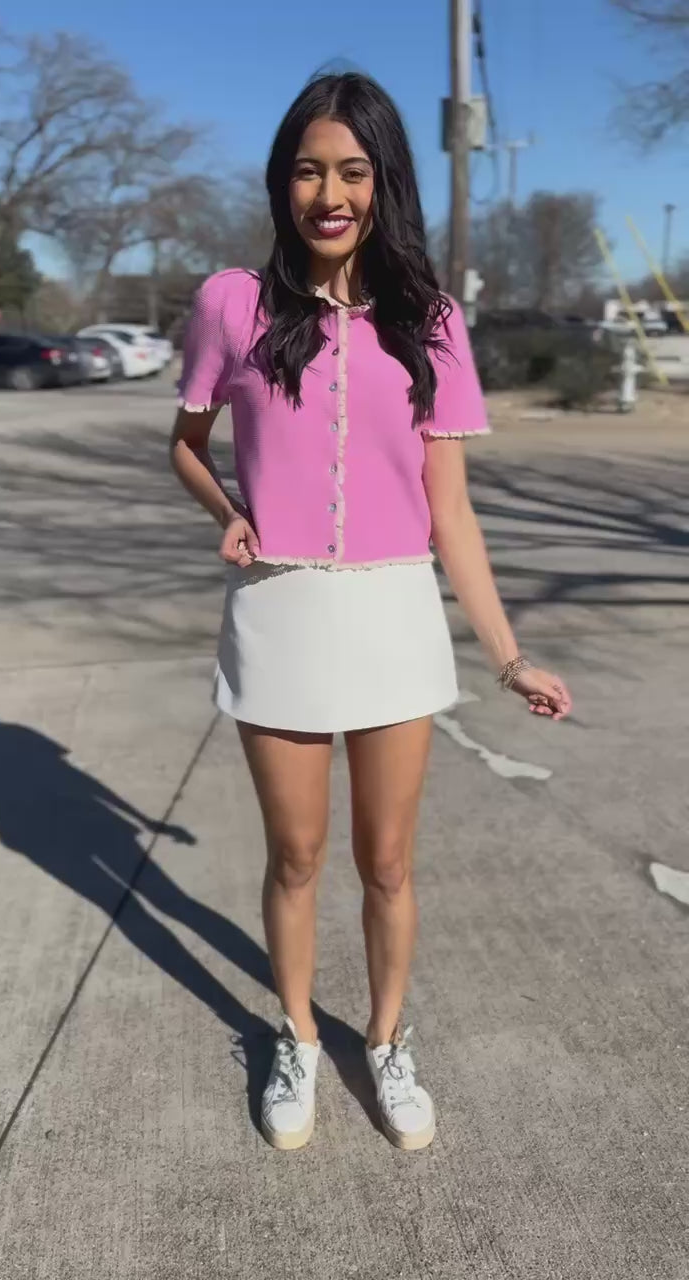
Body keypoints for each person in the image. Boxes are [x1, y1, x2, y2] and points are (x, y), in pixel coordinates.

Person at [170, 72, 571, 1153]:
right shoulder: (232, 304)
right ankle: (297, 1033)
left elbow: (454, 515)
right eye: (308, 169)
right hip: (280, 609)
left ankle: (387, 1039)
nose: (329, 192)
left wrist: (508, 655)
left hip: (394, 612)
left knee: (387, 862)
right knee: (295, 854)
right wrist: (230, 511)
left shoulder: (431, 323)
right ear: (282, 181)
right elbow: (185, 442)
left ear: (384, 182)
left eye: (352, 170)